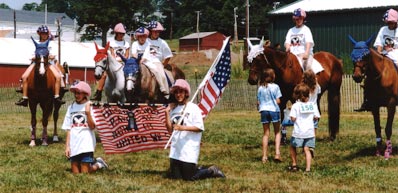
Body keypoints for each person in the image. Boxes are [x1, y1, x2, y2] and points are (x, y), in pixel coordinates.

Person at [165, 79, 225, 181]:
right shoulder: (174, 109)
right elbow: (170, 130)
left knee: (189, 178)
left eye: (181, 92)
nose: (178, 95)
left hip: (188, 150)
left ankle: (211, 170)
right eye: (176, 92)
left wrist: (182, 128)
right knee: (177, 179)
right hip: (175, 151)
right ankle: (197, 169)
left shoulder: (193, 108)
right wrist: (167, 112)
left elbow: (199, 128)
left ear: (186, 93)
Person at [356, 8, 398, 112]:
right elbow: (378, 44)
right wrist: (379, 53)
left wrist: (392, 49)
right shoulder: (383, 30)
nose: (389, 24)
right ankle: (367, 99)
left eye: (391, 22)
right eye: (388, 22)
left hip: (396, 54)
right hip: (384, 54)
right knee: (370, 69)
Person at [62, 80, 108, 174]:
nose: (76, 95)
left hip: (86, 144)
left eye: (79, 93)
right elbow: (69, 129)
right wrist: (67, 147)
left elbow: (92, 127)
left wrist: (87, 113)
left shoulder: (90, 106)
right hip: (74, 144)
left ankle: (99, 164)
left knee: (84, 173)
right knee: (75, 173)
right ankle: (91, 163)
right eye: (75, 93)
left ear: (85, 93)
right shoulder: (71, 108)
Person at [15, 25, 65, 106]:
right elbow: (32, 55)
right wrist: (35, 57)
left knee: (58, 77)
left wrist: (50, 56)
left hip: (48, 62)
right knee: (24, 76)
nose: (44, 35)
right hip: (36, 63)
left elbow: (53, 55)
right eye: (42, 33)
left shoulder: (51, 43)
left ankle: (57, 97)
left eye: (45, 33)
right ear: (39, 34)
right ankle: (24, 98)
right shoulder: (36, 43)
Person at [91, 23, 130, 101]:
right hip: (114, 62)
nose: (121, 35)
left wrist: (121, 60)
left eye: (123, 34)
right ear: (116, 33)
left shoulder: (127, 44)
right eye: (119, 33)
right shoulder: (112, 43)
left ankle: (129, 92)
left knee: (129, 75)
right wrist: (116, 60)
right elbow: (112, 54)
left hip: (123, 63)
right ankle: (98, 92)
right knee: (104, 75)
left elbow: (126, 56)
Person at [288, 83, 320, 172]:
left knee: (292, 146)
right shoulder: (312, 105)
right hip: (310, 132)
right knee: (307, 149)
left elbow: (293, 118)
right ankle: (308, 168)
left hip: (298, 132)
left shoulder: (295, 106)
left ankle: (294, 164)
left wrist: (291, 116)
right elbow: (316, 117)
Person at [141, 21, 173, 98]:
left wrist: (163, 65)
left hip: (156, 62)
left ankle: (167, 95)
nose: (156, 33)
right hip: (145, 62)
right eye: (154, 31)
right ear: (150, 31)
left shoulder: (162, 42)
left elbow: (168, 56)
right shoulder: (146, 41)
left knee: (162, 76)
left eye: (158, 32)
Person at [256, 68, 282, 163]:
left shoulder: (260, 88)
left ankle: (264, 156)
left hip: (264, 110)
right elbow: (278, 101)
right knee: (277, 132)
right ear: (272, 76)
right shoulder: (276, 87)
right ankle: (277, 153)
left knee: (266, 134)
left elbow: (258, 102)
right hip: (274, 110)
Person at [302, 69, 321, 136]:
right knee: (314, 129)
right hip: (314, 110)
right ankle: (312, 144)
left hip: (305, 110)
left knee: (304, 128)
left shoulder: (303, 88)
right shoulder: (316, 86)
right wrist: (316, 81)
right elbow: (319, 91)